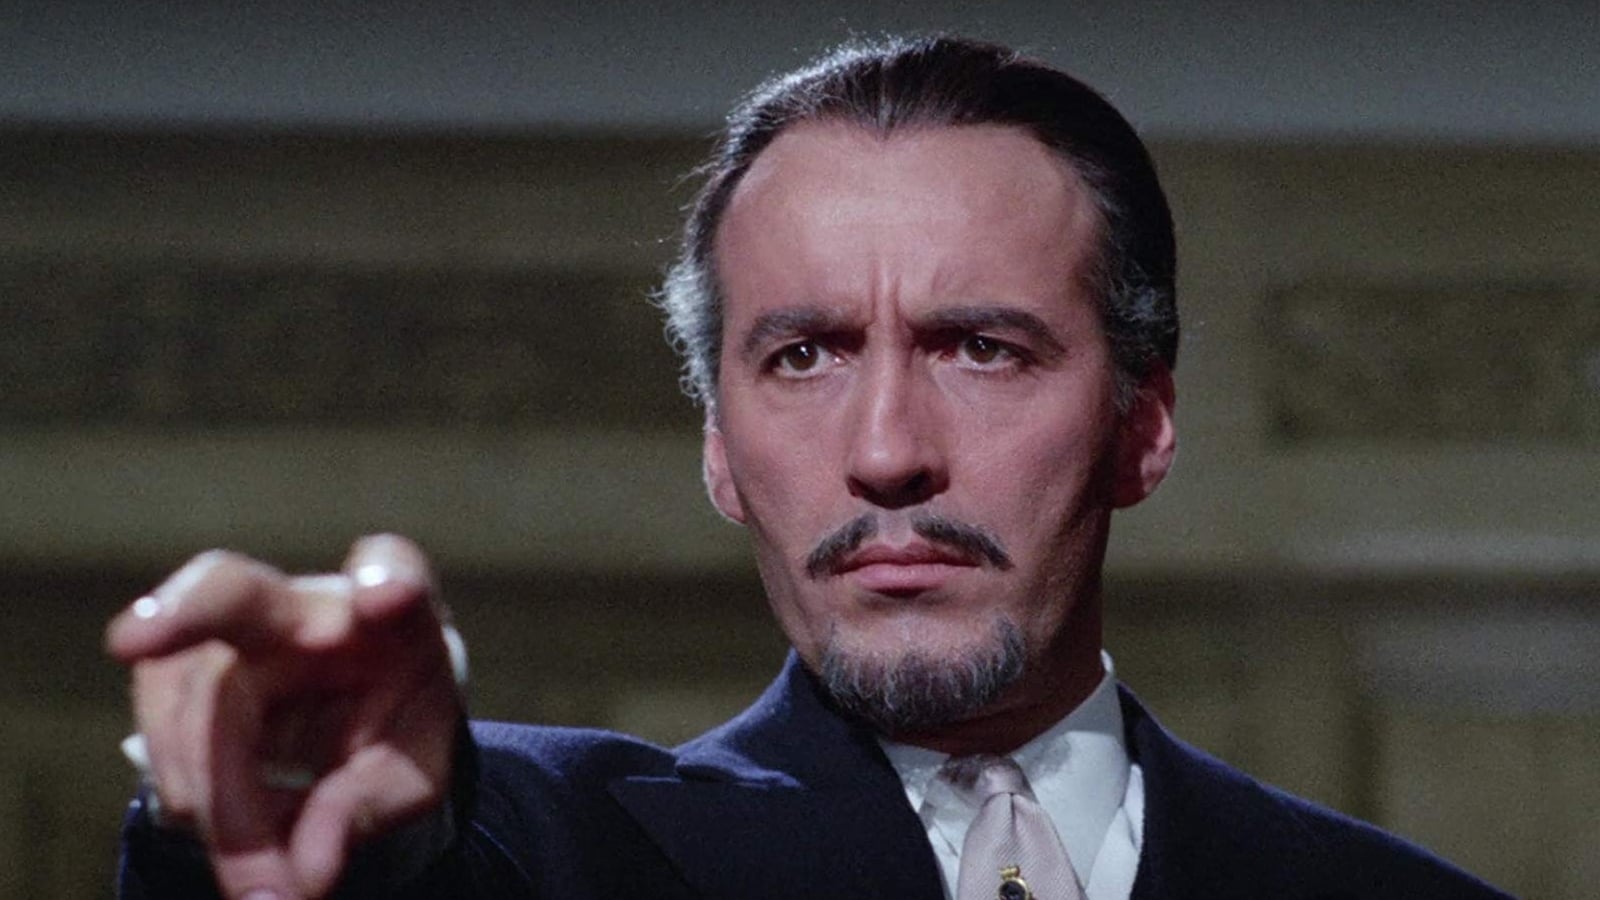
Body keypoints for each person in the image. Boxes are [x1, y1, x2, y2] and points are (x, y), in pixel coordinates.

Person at [106, 36, 1509, 900]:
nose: (887, 454)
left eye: (981, 349)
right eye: (803, 357)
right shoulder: (546, 853)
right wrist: (305, 821)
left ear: (1143, 424)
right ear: (720, 449)